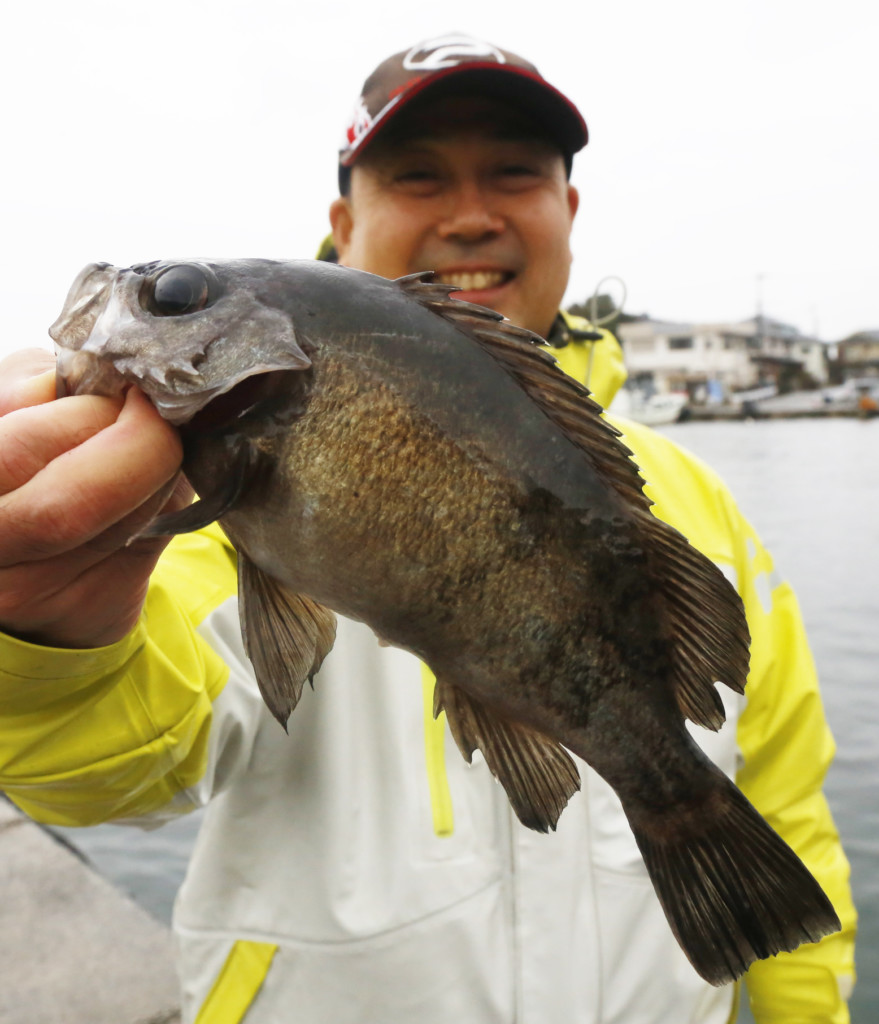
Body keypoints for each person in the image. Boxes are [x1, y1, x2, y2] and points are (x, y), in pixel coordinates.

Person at [0, 33, 856, 1024]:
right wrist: (47, 636)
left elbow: (788, 803)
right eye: (417, 178)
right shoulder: (176, 512)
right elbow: (135, 760)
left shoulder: (704, 509)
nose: (471, 215)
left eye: (513, 175)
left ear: (567, 213)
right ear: (343, 222)